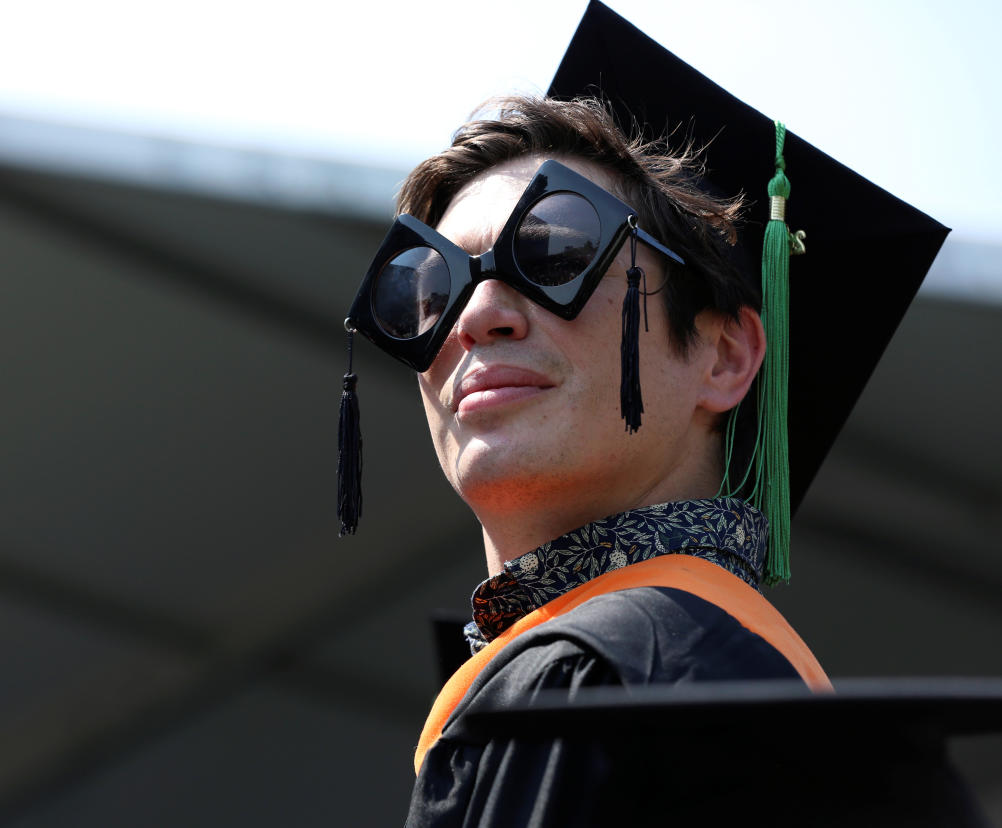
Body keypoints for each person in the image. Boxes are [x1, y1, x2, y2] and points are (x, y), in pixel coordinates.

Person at [336, 2, 953, 824]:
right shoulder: (727, 679)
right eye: (430, 289)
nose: (478, 316)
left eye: (552, 249)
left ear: (724, 356)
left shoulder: (616, 677)